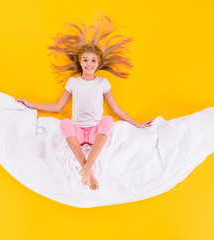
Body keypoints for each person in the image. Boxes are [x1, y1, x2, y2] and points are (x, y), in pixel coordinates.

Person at [15, 13, 155, 191]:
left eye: (93, 60)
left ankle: (86, 169)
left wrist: (137, 124)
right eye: (86, 60)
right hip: (79, 133)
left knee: (108, 120)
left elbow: (115, 109)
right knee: (65, 123)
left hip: (95, 131)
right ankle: (88, 171)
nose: (89, 64)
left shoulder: (102, 83)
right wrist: (32, 104)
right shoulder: (73, 82)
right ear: (80, 62)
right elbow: (58, 107)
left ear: (99, 63)